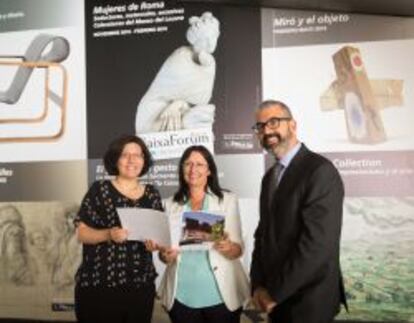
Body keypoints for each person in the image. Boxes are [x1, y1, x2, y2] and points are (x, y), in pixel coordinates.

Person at [250, 100, 347, 323]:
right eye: (260, 126)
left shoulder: (319, 171)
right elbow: (263, 235)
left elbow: (317, 245)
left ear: (292, 125)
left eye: (274, 122)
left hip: (309, 302)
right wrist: (257, 286)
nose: (266, 130)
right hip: (277, 301)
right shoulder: (269, 178)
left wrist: (274, 293)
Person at [73, 135, 163, 323]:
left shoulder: (152, 194)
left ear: (144, 160)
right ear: (115, 160)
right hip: (99, 286)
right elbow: (81, 233)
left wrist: (154, 245)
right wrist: (108, 234)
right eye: (124, 155)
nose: (131, 160)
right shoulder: (99, 189)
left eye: (137, 155)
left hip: (140, 287)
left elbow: (158, 237)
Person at [158, 145, 250, 323]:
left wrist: (228, 247)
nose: (193, 169)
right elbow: (164, 256)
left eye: (199, 164)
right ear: (181, 169)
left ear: (209, 170)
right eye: (188, 164)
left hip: (222, 296)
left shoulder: (227, 200)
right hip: (181, 296)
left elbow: (238, 251)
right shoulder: (170, 204)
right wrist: (166, 255)